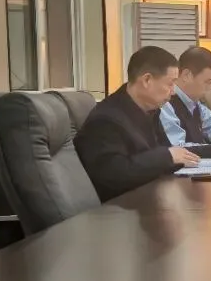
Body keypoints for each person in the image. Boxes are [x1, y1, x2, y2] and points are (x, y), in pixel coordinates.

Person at [74, 46, 200, 202]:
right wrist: (167, 156)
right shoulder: (106, 119)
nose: (173, 92)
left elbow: (165, 153)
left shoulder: (150, 111)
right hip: (122, 207)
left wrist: (177, 159)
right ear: (147, 80)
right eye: (170, 84)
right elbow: (114, 175)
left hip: (151, 196)